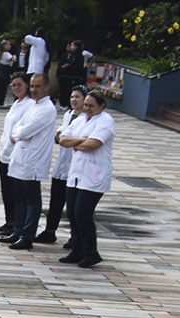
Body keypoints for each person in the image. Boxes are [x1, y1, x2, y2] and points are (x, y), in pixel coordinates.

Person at [59, 92, 114, 268]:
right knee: (73, 213)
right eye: (86, 105)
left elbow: (94, 144)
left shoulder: (106, 121)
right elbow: (62, 139)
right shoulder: (80, 120)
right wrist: (81, 141)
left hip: (94, 175)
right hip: (76, 174)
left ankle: (91, 252)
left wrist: (77, 143)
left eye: (91, 106)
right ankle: (77, 249)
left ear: (101, 106)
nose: (87, 109)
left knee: (83, 213)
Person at [2, 73, 55, 249]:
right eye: (32, 86)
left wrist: (18, 134)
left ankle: (27, 234)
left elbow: (24, 131)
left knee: (31, 199)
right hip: (20, 156)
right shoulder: (33, 106)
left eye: (37, 86)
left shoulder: (47, 109)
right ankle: (18, 230)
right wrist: (18, 134)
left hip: (34, 160)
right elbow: (19, 127)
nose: (33, 90)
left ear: (47, 87)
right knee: (18, 197)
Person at [40, 86, 87, 245]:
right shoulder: (68, 115)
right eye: (72, 97)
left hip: (75, 168)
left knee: (73, 207)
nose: (74, 100)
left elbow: (69, 138)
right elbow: (59, 136)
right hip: (61, 166)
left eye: (78, 97)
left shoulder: (86, 119)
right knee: (55, 201)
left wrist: (64, 138)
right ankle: (50, 231)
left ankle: (75, 238)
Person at [0, 75, 32, 236]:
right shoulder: (16, 103)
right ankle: (9, 221)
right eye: (13, 85)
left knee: (16, 193)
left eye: (19, 85)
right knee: (6, 191)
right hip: (5, 153)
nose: (16, 88)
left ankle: (17, 223)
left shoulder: (29, 105)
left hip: (16, 155)